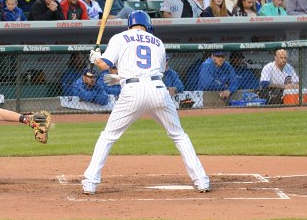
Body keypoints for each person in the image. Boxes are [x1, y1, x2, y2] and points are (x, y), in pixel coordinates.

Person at [83, 11, 211, 195]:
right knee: (179, 135)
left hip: (132, 91)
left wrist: (96, 58)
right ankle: (202, 180)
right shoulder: (157, 42)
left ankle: (90, 182)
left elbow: (104, 65)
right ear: (147, 25)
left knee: (108, 136)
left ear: (130, 24)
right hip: (158, 89)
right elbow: (154, 70)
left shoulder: (120, 37)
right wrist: (120, 77)